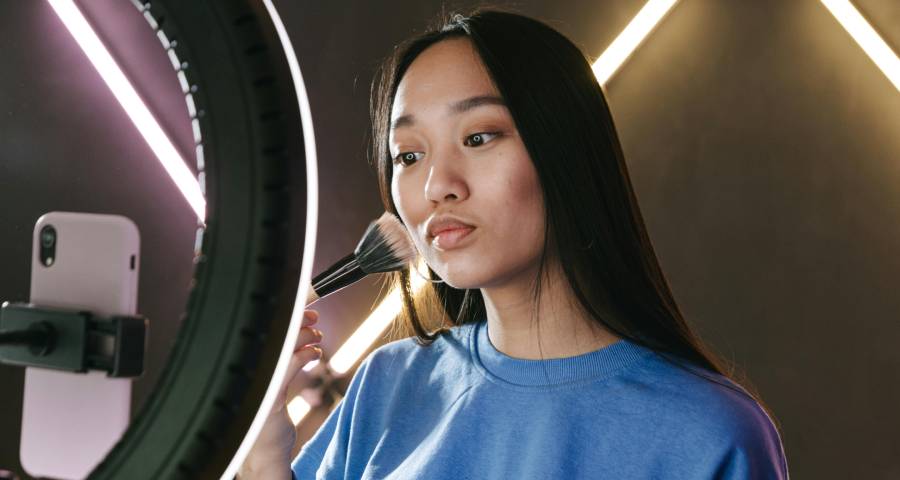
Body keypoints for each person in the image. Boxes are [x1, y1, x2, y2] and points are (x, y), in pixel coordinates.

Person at [240, 9, 789, 480]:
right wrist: (262, 456)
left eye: (478, 138)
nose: (437, 186)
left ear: (563, 151)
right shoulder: (386, 387)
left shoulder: (710, 435)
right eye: (409, 155)